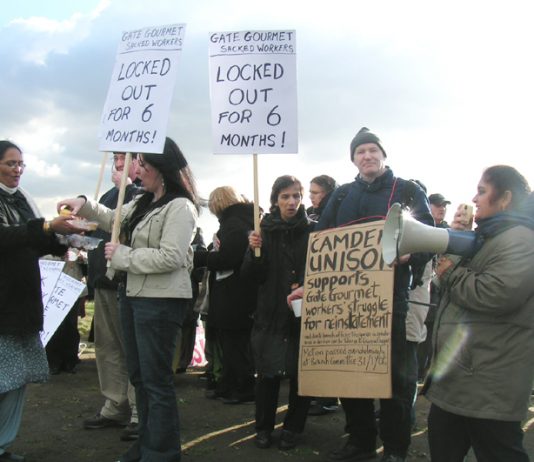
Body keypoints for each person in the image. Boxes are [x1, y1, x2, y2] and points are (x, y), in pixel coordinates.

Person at [58, 137, 198, 462]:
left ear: (161, 169)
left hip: (160, 304)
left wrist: (124, 257)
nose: (137, 170)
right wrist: (83, 203)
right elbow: (111, 217)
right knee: (140, 378)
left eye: (142, 164)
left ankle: (161, 452)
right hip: (134, 298)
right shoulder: (144, 202)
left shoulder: (181, 207)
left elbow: (172, 257)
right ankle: (147, 445)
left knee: (156, 382)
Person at [313, 128, 433, 462]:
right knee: (351, 376)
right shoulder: (341, 195)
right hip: (346, 300)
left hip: (392, 299)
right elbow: (321, 238)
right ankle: (361, 441)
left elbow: (428, 238)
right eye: (360, 152)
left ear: (383, 155)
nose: (367, 156)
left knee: (395, 380)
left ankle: (395, 449)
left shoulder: (407, 190)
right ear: (353, 159)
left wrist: (411, 252)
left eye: (372, 150)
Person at [425, 165, 534, 462]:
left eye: (483, 191)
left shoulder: (522, 240)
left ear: (506, 198)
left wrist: (451, 273)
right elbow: (449, 284)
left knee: (500, 452)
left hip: (488, 384)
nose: (474, 198)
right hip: (461, 378)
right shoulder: (490, 236)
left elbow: (495, 294)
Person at [0, 140, 81, 462]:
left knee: (16, 377)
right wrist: (46, 226)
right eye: (10, 163)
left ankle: (3, 443)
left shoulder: (24, 199)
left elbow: (33, 240)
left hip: (22, 299)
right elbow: (7, 236)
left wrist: (64, 238)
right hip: (3, 299)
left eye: (21, 164)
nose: (17, 170)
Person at [243, 175, 312, 451]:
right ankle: (263, 428)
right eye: (285, 196)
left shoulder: (312, 231)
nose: (292, 201)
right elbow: (250, 276)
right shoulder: (263, 232)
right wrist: (253, 251)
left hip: (303, 315)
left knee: (301, 376)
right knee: (268, 375)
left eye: (296, 195)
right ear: (275, 200)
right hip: (270, 314)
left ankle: (293, 428)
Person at [83, 152, 141, 442]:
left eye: (125, 158)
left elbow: (133, 226)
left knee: (131, 348)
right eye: (116, 158)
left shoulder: (143, 193)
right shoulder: (107, 195)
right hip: (102, 282)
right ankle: (115, 404)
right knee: (107, 348)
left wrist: (128, 189)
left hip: (127, 282)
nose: (119, 164)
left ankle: (137, 412)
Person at [194, 186, 257, 404]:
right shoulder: (243, 222)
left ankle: (243, 387)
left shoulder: (234, 225)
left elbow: (228, 258)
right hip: (237, 292)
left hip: (233, 294)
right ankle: (230, 384)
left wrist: (203, 258)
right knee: (232, 343)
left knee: (234, 344)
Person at [417, 192, 451, 381]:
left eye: (444, 205)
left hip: (440, 297)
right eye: (437, 205)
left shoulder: (449, 232)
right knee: (422, 339)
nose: (442, 208)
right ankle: (420, 374)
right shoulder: (421, 229)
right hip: (424, 295)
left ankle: (425, 373)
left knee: (432, 338)